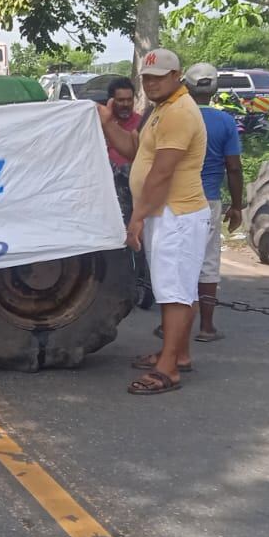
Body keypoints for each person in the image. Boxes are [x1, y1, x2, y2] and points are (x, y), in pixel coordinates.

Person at [97, 48, 209, 394]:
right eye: (147, 78)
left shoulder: (178, 113)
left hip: (175, 212)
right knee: (177, 289)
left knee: (174, 292)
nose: (152, 83)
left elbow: (161, 174)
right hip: (168, 212)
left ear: (177, 76)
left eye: (159, 77)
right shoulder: (160, 110)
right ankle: (178, 354)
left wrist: (137, 218)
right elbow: (135, 151)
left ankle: (167, 370)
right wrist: (108, 123)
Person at [183, 63, 244, 342]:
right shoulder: (225, 122)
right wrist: (237, 205)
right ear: (215, 89)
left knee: (178, 263)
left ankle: (172, 328)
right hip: (209, 200)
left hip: (177, 201)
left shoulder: (177, 117)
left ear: (186, 86)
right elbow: (233, 167)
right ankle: (206, 327)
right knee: (207, 263)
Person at [102, 78, 143, 168]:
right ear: (111, 101)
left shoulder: (142, 123)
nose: (126, 104)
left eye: (129, 100)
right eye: (120, 100)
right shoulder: (101, 123)